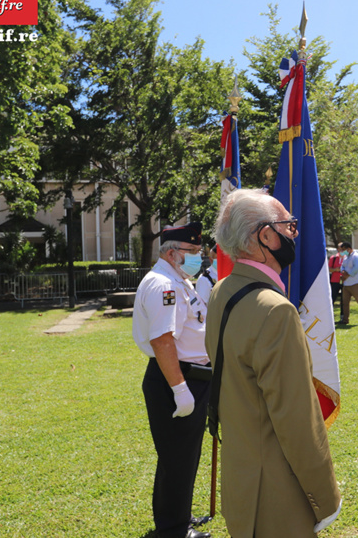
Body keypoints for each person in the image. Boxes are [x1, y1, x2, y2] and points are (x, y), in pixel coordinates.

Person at [204, 189, 340, 537]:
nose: (295, 232)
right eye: (289, 225)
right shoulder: (275, 310)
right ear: (265, 236)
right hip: (277, 496)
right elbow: (297, 420)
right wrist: (326, 497)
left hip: (241, 482)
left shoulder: (221, 291)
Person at [132, 222, 211, 538]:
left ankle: (178, 519)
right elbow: (162, 340)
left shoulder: (179, 280)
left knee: (182, 455)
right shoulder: (164, 286)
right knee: (178, 458)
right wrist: (180, 390)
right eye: (192, 251)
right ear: (172, 252)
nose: (197, 257)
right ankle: (173, 530)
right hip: (177, 378)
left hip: (187, 377)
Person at [327, 247, 344, 320]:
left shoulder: (346, 258)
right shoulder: (333, 258)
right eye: (341, 249)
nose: (343, 251)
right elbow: (329, 269)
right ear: (338, 249)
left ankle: (343, 316)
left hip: (344, 281)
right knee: (332, 298)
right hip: (334, 281)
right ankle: (329, 316)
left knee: (343, 300)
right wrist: (335, 269)